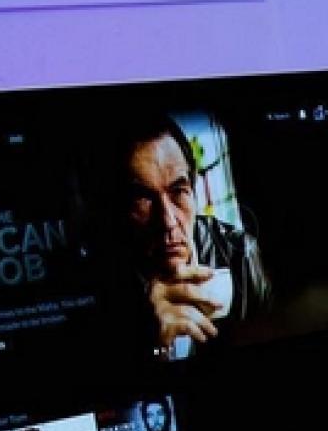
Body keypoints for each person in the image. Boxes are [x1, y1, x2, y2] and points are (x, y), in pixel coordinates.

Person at [113, 115, 271, 360]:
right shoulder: (106, 281)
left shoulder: (240, 254)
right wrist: (152, 347)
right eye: (143, 199)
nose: (168, 221)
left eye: (178, 191)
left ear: (193, 192)